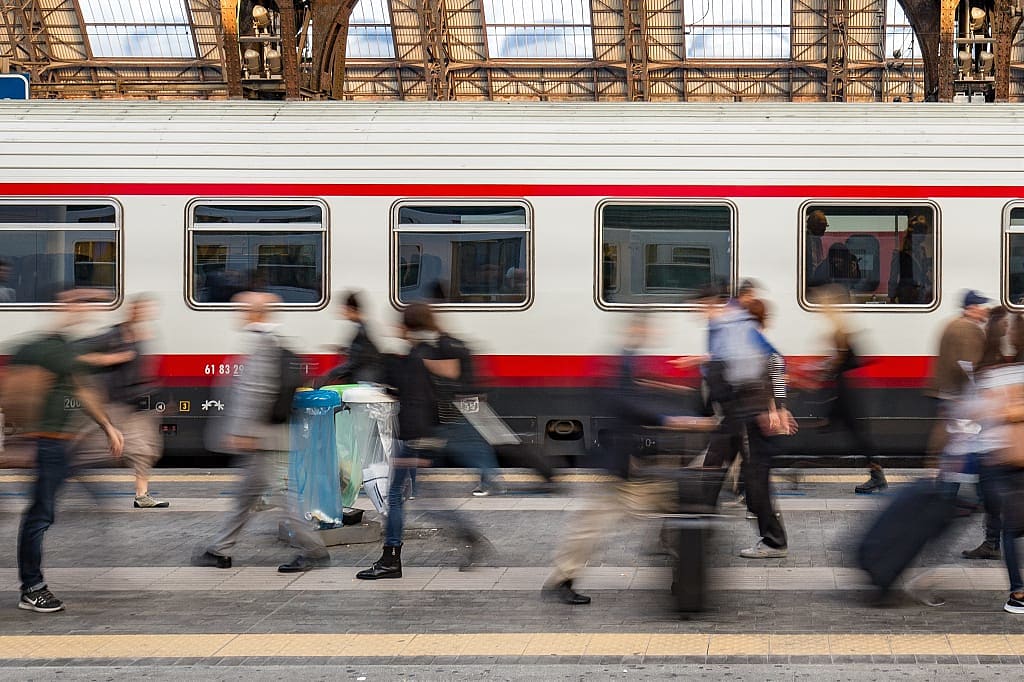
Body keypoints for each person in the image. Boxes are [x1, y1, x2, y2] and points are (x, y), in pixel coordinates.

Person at [542, 314, 717, 605]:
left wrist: (666, 392)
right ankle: (563, 579)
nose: (650, 332)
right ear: (634, 328)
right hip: (617, 463)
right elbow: (626, 403)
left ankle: (683, 576)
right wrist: (673, 419)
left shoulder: (629, 360)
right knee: (596, 522)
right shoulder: (619, 362)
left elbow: (637, 394)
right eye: (645, 327)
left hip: (630, 462)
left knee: (674, 509)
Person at [193, 291, 329, 573]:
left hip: (262, 435)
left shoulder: (261, 344)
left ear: (257, 312)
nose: (239, 313)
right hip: (269, 433)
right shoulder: (275, 342)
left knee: (285, 496)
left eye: (243, 308)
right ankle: (220, 549)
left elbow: (256, 391)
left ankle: (314, 551)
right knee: (246, 496)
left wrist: (244, 431)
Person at [7, 290, 124, 613]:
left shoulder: (65, 349)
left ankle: (32, 584)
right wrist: (27, 439)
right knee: (38, 516)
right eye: (79, 305)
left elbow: (81, 391)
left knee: (41, 514)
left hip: (59, 444)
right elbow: (19, 393)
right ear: (62, 307)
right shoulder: (39, 349)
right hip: (45, 443)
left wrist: (107, 427)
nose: (86, 312)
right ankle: (32, 587)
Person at [356, 304, 492, 580]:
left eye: (399, 324)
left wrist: (412, 440)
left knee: (400, 498)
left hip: (411, 437)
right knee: (419, 498)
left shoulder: (412, 359)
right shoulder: (431, 354)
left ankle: (391, 559)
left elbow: (415, 399)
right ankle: (464, 536)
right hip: (425, 434)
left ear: (406, 327)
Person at [72, 294, 168, 508]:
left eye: (146, 310)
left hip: (137, 404)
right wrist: (107, 359)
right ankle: (63, 470)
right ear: (131, 311)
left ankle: (142, 496)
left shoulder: (143, 336)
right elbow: (74, 352)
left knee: (145, 450)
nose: (144, 314)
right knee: (93, 448)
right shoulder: (112, 335)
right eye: (140, 309)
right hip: (114, 402)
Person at [812, 286, 887, 494]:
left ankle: (877, 476)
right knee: (856, 436)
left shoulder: (840, 330)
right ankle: (876, 475)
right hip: (847, 390)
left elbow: (843, 362)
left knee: (858, 436)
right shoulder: (841, 328)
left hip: (847, 393)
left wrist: (826, 370)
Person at [961, 306, 1011, 560]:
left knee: (993, 495)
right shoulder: (1000, 359)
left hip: (998, 444)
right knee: (994, 495)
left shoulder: (992, 362)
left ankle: (994, 542)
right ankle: (993, 541)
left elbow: (980, 407)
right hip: (1000, 443)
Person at [926, 290, 990, 458]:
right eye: (982, 307)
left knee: (949, 434)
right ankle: (945, 475)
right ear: (972, 308)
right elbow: (968, 365)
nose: (986, 310)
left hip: (947, 392)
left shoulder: (954, 324)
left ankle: (941, 471)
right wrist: (974, 393)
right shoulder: (968, 329)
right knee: (956, 439)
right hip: (956, 393)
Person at [321, 291, 383, 386]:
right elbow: (361, 353)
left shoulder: (361, 333)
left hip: (363, 381)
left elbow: (353, 362)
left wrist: (328, 376)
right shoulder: (363, 328)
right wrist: (343, 349)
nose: (343, 313)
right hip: (367, 379)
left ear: (352, 309)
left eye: (345, 310)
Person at [887, 213, 933, 304]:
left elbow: (922, 272)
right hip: (906, 293)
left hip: (921, 292)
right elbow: (893, 276)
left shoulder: (922, 250)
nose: (923, 236)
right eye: (921, 233)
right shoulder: (900, 253)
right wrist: (892, 296)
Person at [805, 210, 828, 288]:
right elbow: (812, 264)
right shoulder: (805, 239)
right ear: (814, 225)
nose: (825, 229)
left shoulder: (817, 240)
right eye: (823, 225)